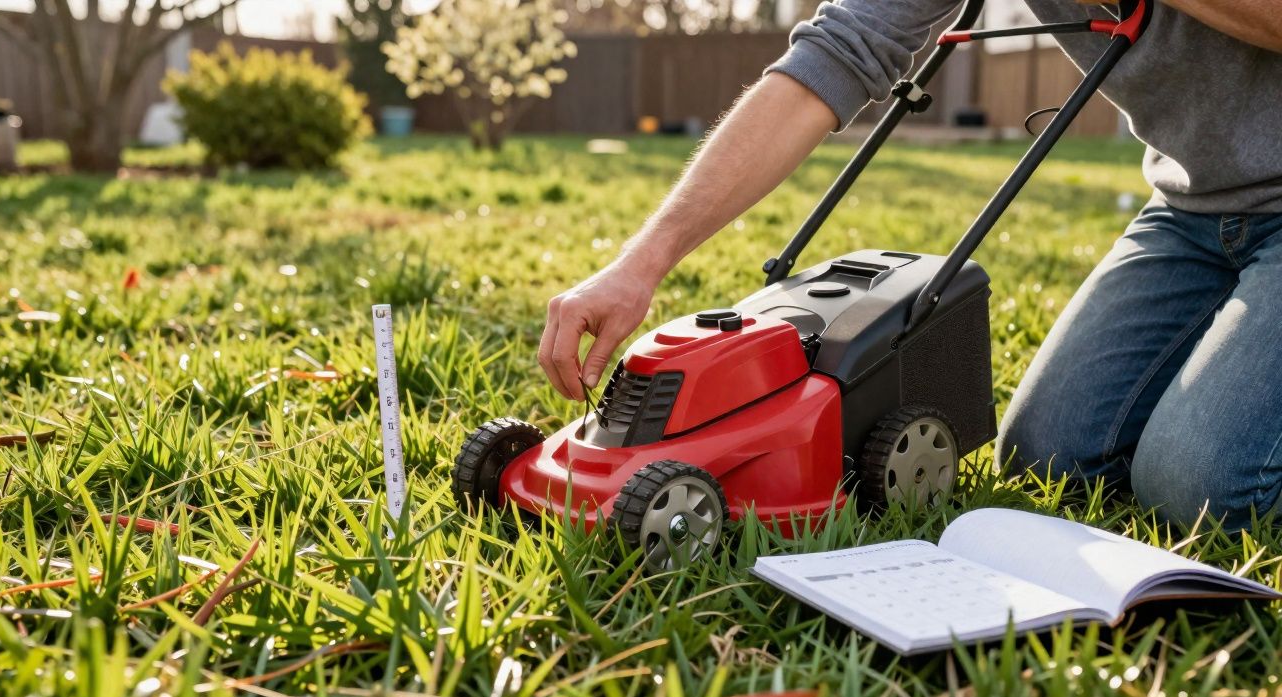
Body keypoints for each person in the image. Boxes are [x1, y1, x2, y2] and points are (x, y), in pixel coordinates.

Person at [538, 0, 1282, 529]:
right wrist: (641, 264)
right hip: (1191, 208)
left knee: (1204, 490)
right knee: (1046, 459)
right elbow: (838, 49)